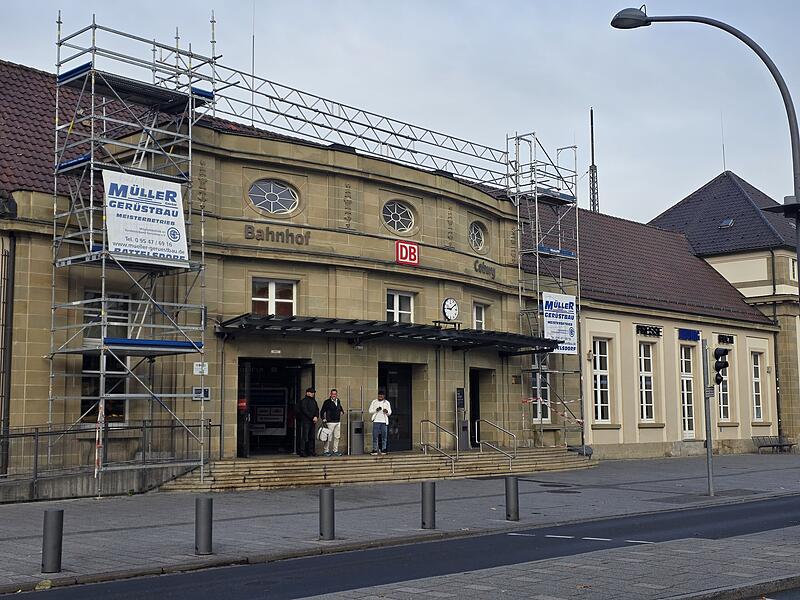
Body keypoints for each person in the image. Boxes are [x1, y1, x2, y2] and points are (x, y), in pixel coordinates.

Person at [320, 388, 345, 456]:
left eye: (335, 394)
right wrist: (323, 418)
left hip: (337, 421)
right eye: (332, 394)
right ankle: (326, 451)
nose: (334, 395)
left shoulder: (338, 400)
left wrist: (342, 411)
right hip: (330, 422)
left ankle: (335, 450)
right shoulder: (327, 402)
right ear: (330, 394)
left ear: (337, 394)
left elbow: (340, 407)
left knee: (337, 436)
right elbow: (322, 411)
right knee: (328, 437)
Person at [296, 387, 319, 457]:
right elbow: (304, 410)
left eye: (313, 393)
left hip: (312, 422)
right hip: (306, 421)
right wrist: (312, 417)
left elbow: (317, 409)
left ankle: (311, 451)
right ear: (307, 393)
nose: (313, 394)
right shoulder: (304, 401)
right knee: (304, 437)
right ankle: (302, 451)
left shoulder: (314, 401)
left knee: (311, 437)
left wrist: (316, 416)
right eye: (311, 392)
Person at [368, 390, 392, 455]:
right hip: (376, 421)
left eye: (382, 395)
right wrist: (376, 410)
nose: (380, 396)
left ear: (384, 396)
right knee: (375, 436)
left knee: (384, 436)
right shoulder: (374, 401)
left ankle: (383, 449)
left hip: (384, 421)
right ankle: (375, 449)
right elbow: (370, 411)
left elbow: (390, 412)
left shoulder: (387, 402)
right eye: (379, 395)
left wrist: (386, 411)